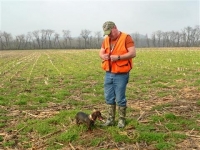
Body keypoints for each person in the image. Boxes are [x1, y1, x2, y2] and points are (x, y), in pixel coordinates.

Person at [99, 21, 136, 128]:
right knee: (109, 97)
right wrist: (103, 56)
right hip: (108, 72)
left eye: (110, 32)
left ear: (115, 28)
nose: (109, 35)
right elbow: (100, 52)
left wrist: (118, 57)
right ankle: (110, 120)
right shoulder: (106, 39)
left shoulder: (126, 37)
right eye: (107, 33)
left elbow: (133, 53)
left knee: (120, 98)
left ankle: (121, 120)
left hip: (121, 73)